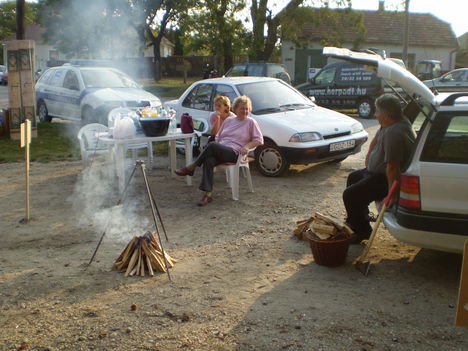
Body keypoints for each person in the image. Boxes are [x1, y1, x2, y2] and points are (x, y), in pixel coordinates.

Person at [342, 94, 416, 243]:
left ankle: (362, 231)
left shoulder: (395, 133)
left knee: (350, 195)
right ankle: (358, 218)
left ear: (387, 115)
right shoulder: (388, 123)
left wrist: (391, 195)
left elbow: (392, 167)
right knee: (353, 177)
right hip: (374, 172)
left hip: (383, 178)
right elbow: (375, 140)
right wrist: (369, 156)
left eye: (377, 111)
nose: (375, 114)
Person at [175, 96, 264, 206]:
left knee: (212, 145)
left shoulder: (251, 122)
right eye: (242, 108)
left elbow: (259, 140)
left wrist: (247, 146)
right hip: (222, 149)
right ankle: (207, 195)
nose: (245, 111)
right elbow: (218, 136)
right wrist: (221, 145)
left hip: (235, 153)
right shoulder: (229, 120)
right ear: (235, 109)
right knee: (209, 160)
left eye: (247, 108)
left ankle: (192, 167)